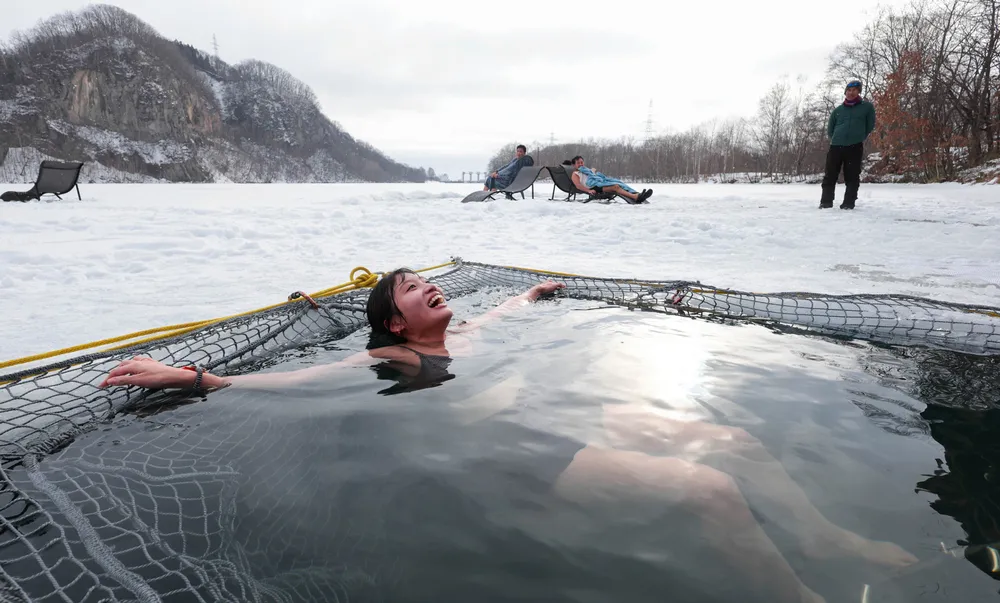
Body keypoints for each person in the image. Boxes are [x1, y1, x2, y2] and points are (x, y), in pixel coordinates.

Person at [101, 269, 916, 603]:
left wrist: (531, 294)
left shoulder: (464, 339)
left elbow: (495, 314)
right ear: (394, 318)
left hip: (554, 419)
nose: (434, 290)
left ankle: (826, 533)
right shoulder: (389, 357)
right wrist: (202, 378)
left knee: (732, 438)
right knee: (711, 488)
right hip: (512, 462)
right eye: (419, 289)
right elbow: (299, 383)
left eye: (430, 282)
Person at [820, 80, 876, 210]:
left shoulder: (866, 108)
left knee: (852, 176)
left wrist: (859, 137)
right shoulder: (838, 110)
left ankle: (848, 203)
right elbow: (830, 129)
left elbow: (870, 125)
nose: (851, 93)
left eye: (854, 90)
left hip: (854, 146)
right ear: (845, 92)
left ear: (858, 92)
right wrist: (835, 139)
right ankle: (826, 202)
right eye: (849, 90)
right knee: (830, 175)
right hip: (836, 146)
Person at [565, 156, 652, 204]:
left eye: (582, 162)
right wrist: (589, 190)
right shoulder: (575, 174)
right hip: (594, 187)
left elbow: (593, 175)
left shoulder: (586, 170)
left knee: (618, 182)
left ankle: (637, 194)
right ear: (574, 165)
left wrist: (593, 172)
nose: (581, 164)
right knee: (616, 187)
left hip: (598, 183)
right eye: (578, 163)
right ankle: (636, 197)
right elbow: (578, 185)